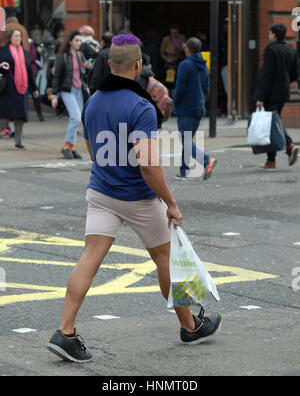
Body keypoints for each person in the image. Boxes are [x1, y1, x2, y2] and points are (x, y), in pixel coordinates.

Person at [47, 33, 222, 363]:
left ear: (110, 64)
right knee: (166, 260)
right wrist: (170, 202)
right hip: (139, 198)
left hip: (101, 192)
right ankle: (190, 326)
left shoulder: (93, 101)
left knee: (90, 256)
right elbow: (149, 165)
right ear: (139, 65)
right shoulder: (142, 107)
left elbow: (91, 148)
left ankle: (65, 331)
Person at [255, 23, 299, 170]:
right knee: (273, 122)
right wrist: (285, 82)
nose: (268, 36)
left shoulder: (271, 49)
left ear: (273, 35)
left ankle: (289, 145)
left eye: (269, 33)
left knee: (274, 123)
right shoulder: (291, 50)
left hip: (270, 94)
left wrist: (261, 97)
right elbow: (295, 73)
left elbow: (266, 75)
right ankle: (271, 160)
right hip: (283, 92)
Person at [173, 37, 217, 180]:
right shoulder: (204, 66)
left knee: (185, 140)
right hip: (199, 107)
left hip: (186, 108)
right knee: (188, 139)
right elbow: (206, 88)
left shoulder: (185, 65)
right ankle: (184, 171)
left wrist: (174, 102)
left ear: (187, 49)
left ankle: (206, 160)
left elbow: (180, 88)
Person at [51, 30, 90, 160]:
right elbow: (57, 76)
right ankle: (66, 146)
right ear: (70, 42)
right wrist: (54, 94)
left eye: (80, 40)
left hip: (79, 90)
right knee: (76, 118)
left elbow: (83, 73)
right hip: (67, 90)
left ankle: (71, 147)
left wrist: (87, 67)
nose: (79, 43)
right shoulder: (63, 57)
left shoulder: (80, 55)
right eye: (76, 40)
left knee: (77, 119)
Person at [0, 29, 38, 149]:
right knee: (4, 114)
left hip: (22, 87)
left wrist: (34, 88)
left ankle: (18, 141)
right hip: (7, 86)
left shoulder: (25, 53)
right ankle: (3, 131)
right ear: (10, 37)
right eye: (15, 36)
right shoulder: (3, 50)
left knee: (20, 115)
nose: (18, 38)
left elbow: (29, 71)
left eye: (19, 36)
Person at [160, 25, 185, 91]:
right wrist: (166, 59)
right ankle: (167, 91)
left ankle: (175, 91)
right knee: (167, 78)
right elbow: (161, 51)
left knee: (177, 77)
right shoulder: (166, 39)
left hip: (178, 60)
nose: (173, 34)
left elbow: (184, 51)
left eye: (175, 33)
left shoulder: (182, 38)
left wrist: (178, 57)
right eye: (172, 32)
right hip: (168, 61)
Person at [89, 31, 113, 95]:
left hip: (104, 90)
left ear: (102, 42)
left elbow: (97, 75)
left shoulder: (101, 55)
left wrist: (92, 90)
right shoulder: (119, 53)